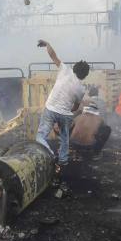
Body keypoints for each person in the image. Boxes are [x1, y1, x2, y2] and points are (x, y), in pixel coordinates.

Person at [35, 39, 89, 170]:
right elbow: (75, 107)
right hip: (65, 115)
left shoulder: (65, 70)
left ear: (74, 67)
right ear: (84, 75)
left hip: (50, 109)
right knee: (65, 139)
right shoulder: (81, 89)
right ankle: (63, 160)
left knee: (40, 136)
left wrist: (47, 44)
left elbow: (53, 55)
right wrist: (69, 109)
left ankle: (50, 155)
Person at [70, 87, 111, 156]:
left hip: (74, 143)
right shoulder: (102, 105)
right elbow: (104, 121)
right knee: (106, 129)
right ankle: (96, 153)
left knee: (74, 125)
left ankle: (72, 146)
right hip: (89, 144)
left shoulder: (81, 112)